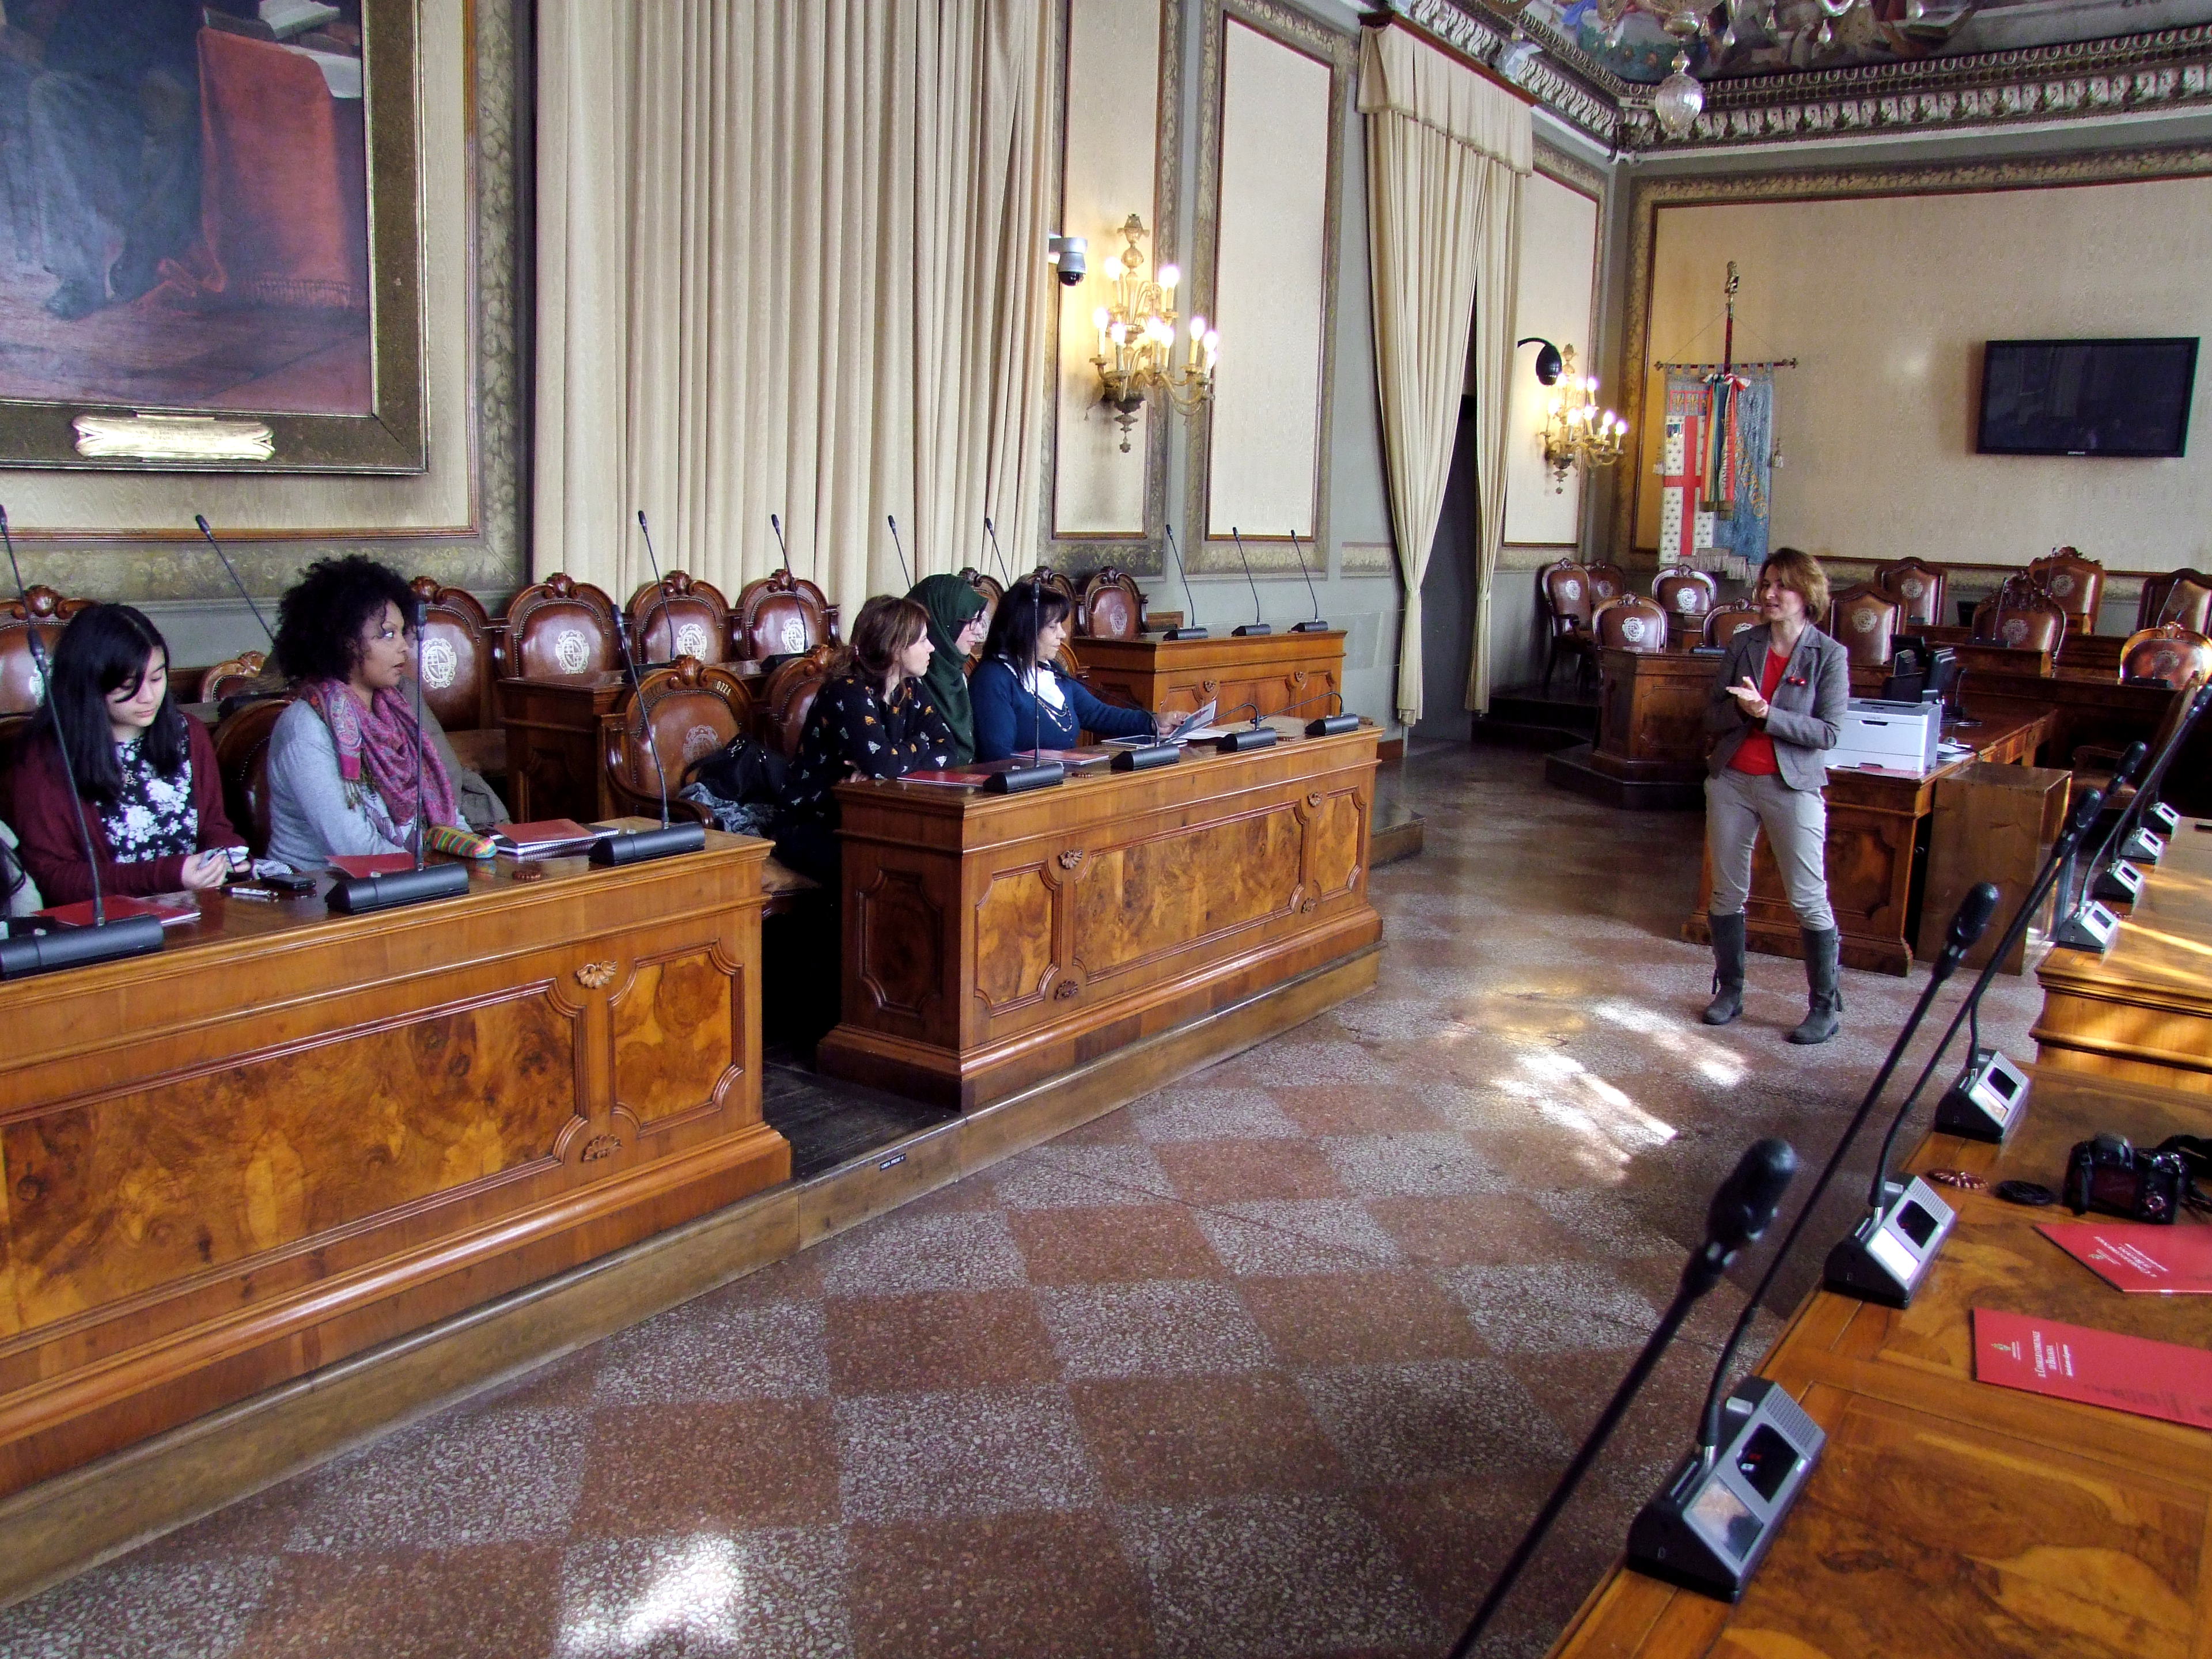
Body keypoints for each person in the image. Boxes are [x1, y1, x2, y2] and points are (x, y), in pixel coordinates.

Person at [1700, 547, 1851, 1044]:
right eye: (1765, 585)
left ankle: (1825, 1007)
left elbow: (1828, 732)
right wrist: (1743, 712)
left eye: (1781, 586)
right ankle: (1730, 991)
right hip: (1732, 781)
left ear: (1807, 595)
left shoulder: (1829, 654)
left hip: (1793, 785)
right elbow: (1712, 716)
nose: (1769, 595)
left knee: (1808, 898)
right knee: (1726, 891)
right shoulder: (1744, 644)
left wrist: (1769, 714)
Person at [266, 556, 489, 872]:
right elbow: (356, 849)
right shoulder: (305, 726)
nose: (404, 648)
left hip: (408, 880)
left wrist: (472, 856)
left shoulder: (399, 710)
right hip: (320, 897)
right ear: (345, 643)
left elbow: (445, 810)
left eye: (402, 633)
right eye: (387, 635)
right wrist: (441, 874)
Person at [9, 603, 242, 905]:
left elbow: (215, 826)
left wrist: (225, 856)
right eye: (127, 686)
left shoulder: (188, 734)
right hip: (111, 931)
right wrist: (168, 875)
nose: (148, 697)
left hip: (201, 910)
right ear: (89, 686)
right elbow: (55, 879)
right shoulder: (45, 758)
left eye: (157, 679)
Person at [774, 595, 959, 885]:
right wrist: (920, 743)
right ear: (896, 647)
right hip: (815, 823)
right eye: (923, 640)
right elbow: (883, 762)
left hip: (871, 816)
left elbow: (948, 748)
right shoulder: (847, 692)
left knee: (932, 855)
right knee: (896, 867)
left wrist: (896, 756)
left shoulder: (910, 687)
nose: (932, 648)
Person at [969, 580, 1154, 760]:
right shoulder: (993, 678)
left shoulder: (1053, 671)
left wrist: (1153, 723)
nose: (1063, 634)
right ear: (1025, 630)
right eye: (1052, 627)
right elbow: (997, 755)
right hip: (1026, 787)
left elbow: (1099, 714)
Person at [906, 573, 990, 765]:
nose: (978, 631)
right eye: (971, 620)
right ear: (942, 621)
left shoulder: (958, 675)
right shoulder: (907, 680)